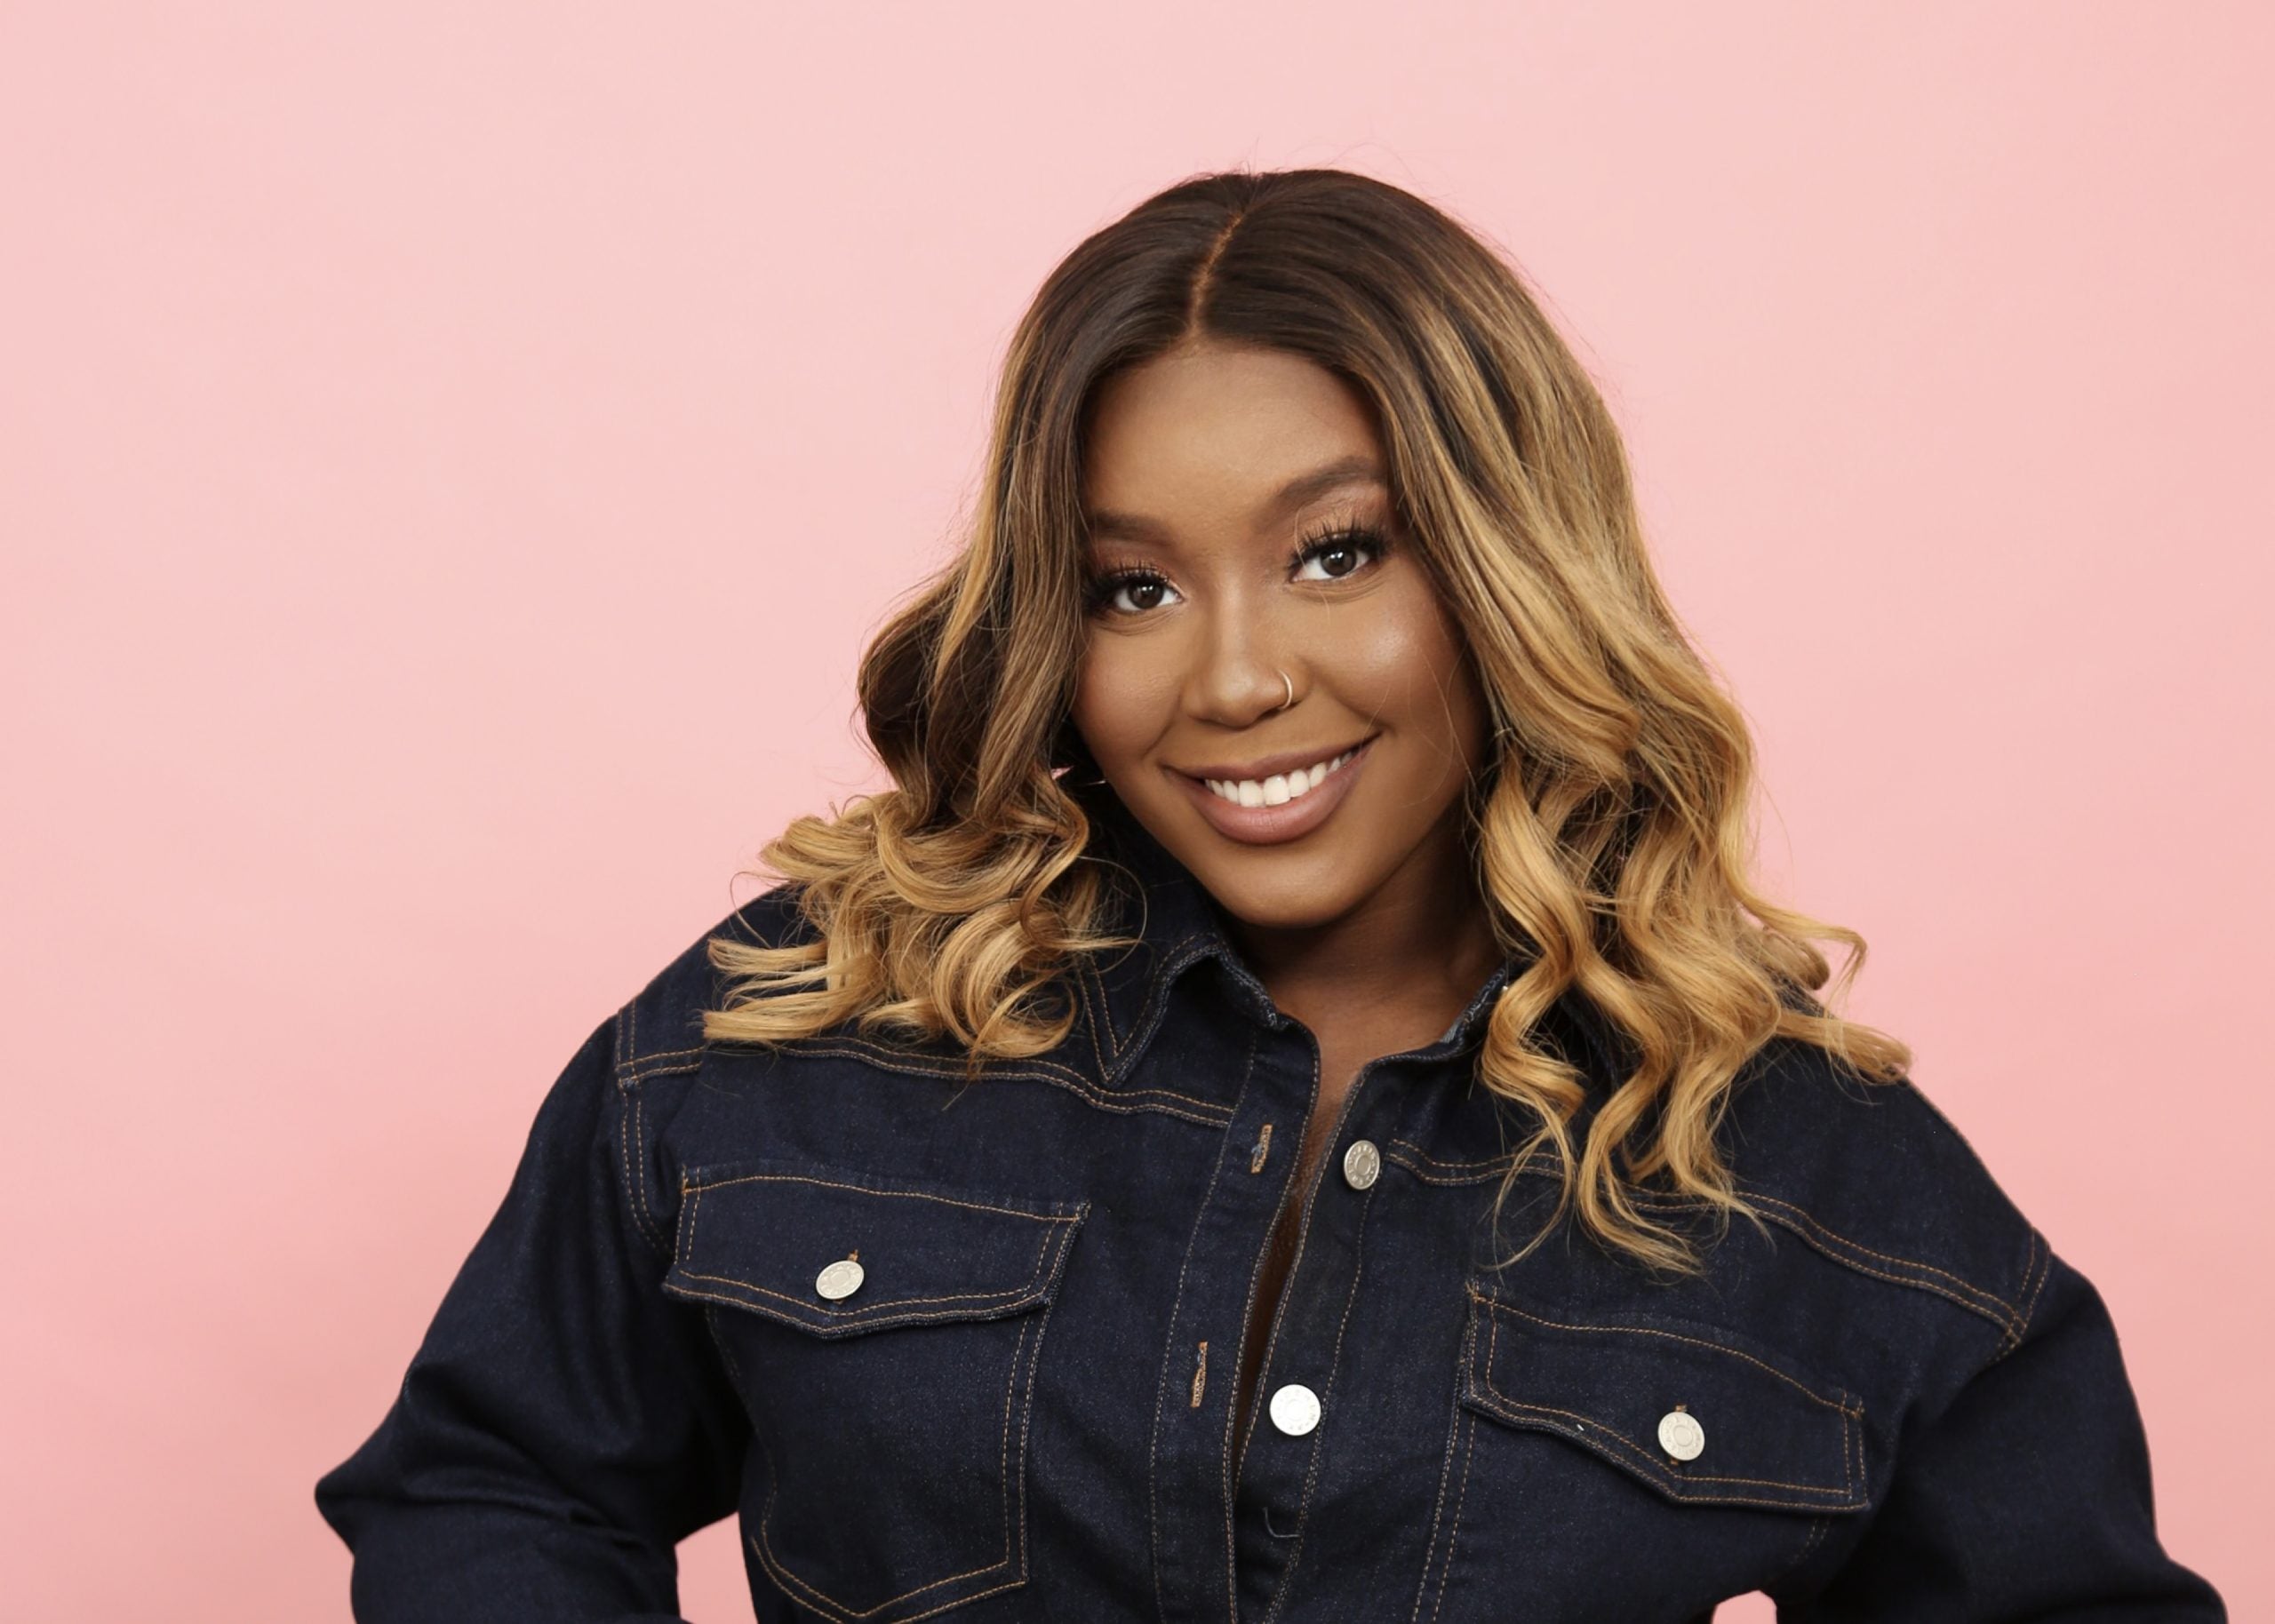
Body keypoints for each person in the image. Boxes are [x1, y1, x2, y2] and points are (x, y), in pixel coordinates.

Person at [315, 167, 2224, 1622]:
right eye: (1132, 587)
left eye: (1334, 554)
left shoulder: (1798, 1167)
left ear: (1503, 566)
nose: (1230, 679)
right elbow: (492, 1481)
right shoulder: (807, 1024)